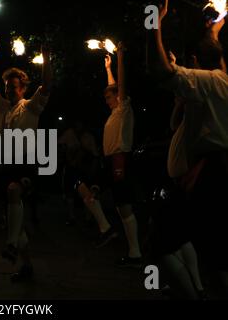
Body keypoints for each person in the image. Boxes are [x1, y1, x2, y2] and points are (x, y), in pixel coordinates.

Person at [148, 0, 228, 299]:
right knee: (216, 261)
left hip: (212, 175)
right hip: (214, 172)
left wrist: (153, 21)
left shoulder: (211, 83)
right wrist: (215, 27)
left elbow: (159, 69)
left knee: (161, 242)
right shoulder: (214, 83)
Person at [0, 37, 52, 282]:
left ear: (22, 89)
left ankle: (10, 244)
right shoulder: (1, 107)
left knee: (14, 192)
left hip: (26, 165)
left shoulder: (30, 107)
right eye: (8, 87)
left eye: (15, 87)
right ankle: (27, 266)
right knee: (16, 221)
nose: (10, 90)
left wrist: (46, 58)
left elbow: (47, 84)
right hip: (4, 167)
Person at [101, 48, 142, 267]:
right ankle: (131, 249)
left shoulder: (124, 108)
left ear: (118, 96)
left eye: (109, 97)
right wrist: (108, 68)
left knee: (124, 204)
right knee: (119, 204)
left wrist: (120, 58)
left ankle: (135, 253)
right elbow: (114, 87)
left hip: (120, 159)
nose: (106, 100)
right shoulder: (115, 112)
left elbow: (120, 86)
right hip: (112, 160)